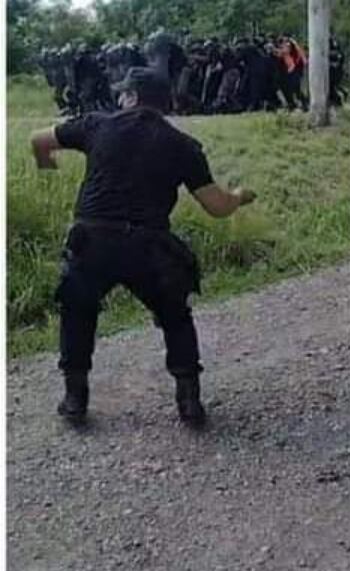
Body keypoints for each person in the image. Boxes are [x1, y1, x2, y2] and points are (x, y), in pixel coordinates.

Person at [30, 67, 256, 425]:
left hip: (93, 241)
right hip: (148, 245)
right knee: (175, 315)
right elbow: (217, 207)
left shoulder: (96, 124)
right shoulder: (183, 145)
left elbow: (39, 140)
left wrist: (47, 170)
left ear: (132, 97)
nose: (119, 99)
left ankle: (75, 398)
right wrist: (240, 196)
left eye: (123, 94)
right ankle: (189, 401)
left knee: (77, 311)